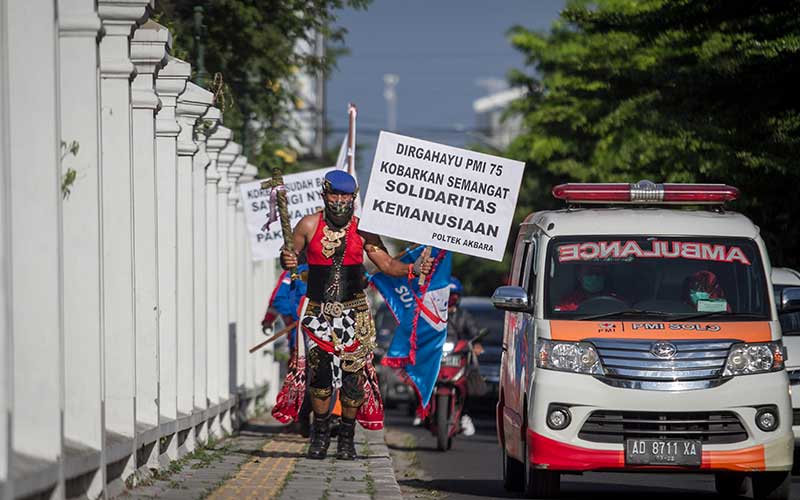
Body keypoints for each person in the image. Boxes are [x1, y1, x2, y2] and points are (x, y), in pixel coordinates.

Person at [280, 170, 433, 460]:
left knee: (353, 380)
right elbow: (290, 256)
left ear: (354, 197)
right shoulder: (308, 225)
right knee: (321, 377)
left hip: (355, 314)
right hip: (318, 314)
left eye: (345, 195)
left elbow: (387, 264)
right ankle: (320, 436)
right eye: (334, 194)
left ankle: (347, 440)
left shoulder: (364, 230)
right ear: (324, 194)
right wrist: (286, 258)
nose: (340, 201)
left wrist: (413, 270)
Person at [443, 277, 482, 436]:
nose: (452, 298)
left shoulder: (464, 316)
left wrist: (476, 344)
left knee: (468, 380)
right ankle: (421, 410)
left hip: (458, 357)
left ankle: (465, 415)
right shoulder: (435, 313)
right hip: (439, 356)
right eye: (449, 295)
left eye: (455, 295)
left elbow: (474, 333)